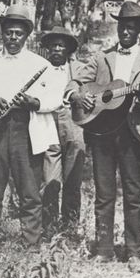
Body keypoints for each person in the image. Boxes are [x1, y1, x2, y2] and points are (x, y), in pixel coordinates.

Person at [65, 1, 140, 273]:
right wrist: (78, 96)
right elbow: (76, 81)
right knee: (103, 193)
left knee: (133, 194)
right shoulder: (101, 57)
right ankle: (104, 250)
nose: (126, 32)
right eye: (122, 26)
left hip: (131, 133)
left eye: (131, 27)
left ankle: (134, 252)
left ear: (139, 30)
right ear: (117, 27)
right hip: (101, 133)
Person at [0, 5, 61, 252]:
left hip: (26, 130)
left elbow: (55, 97)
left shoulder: (41, 65)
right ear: (3, 33)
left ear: (26, 35)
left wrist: (35, 102)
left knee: (29, 190)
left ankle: (31, 244)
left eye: (18, 33)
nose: (13, 38)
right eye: (9, 32)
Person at [40, 26, 86, 237]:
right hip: (48, 123)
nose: (57, 50)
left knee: (73, 179)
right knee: (51, 180)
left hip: (74, 123)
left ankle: (70, 229)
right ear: (48, 49)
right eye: (53, 46)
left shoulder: (80, 69)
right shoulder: (41, 69)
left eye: (61, 46)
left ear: (68, 50)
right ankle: (49, 228)